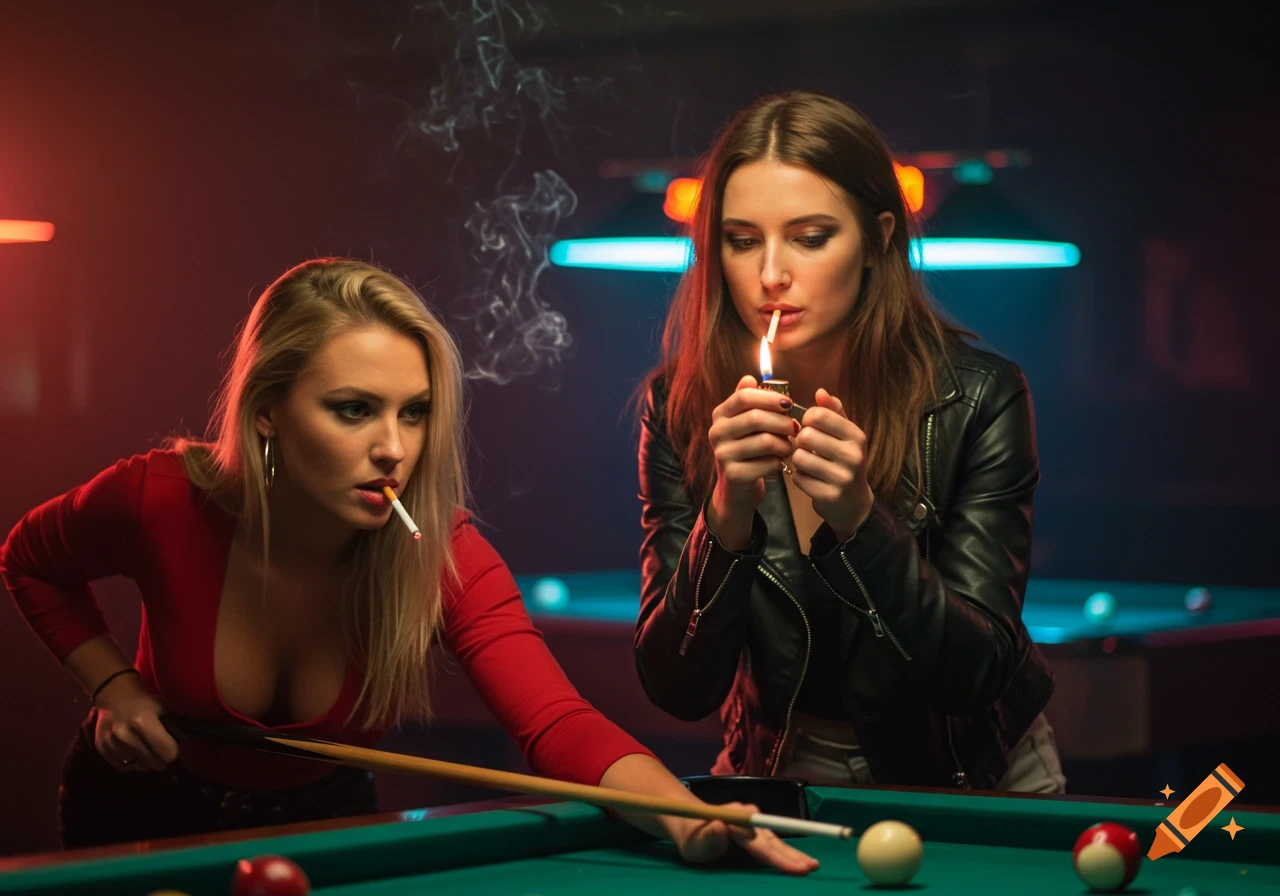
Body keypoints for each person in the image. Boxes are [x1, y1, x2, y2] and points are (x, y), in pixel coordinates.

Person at [1, 257, 816, 873]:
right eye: (353, 410)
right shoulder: (160, 499)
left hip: (318, 830)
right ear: (270, 414)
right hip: (136, 815)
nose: (394, 448)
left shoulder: (441, 553)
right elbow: (29, 560)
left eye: (415, 413)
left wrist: (686, 818)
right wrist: (114, 683)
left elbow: (555, 722)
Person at [634, 91, 1066, 793]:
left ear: (877, 240)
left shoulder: (979, 399)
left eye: (809, 237)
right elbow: (677, 687)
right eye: (742, 240)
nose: (771, 274)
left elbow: (977, 674)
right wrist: (726, 518)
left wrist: (860, 522)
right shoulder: (682, 407)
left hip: (971, 775)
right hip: (779, 763)